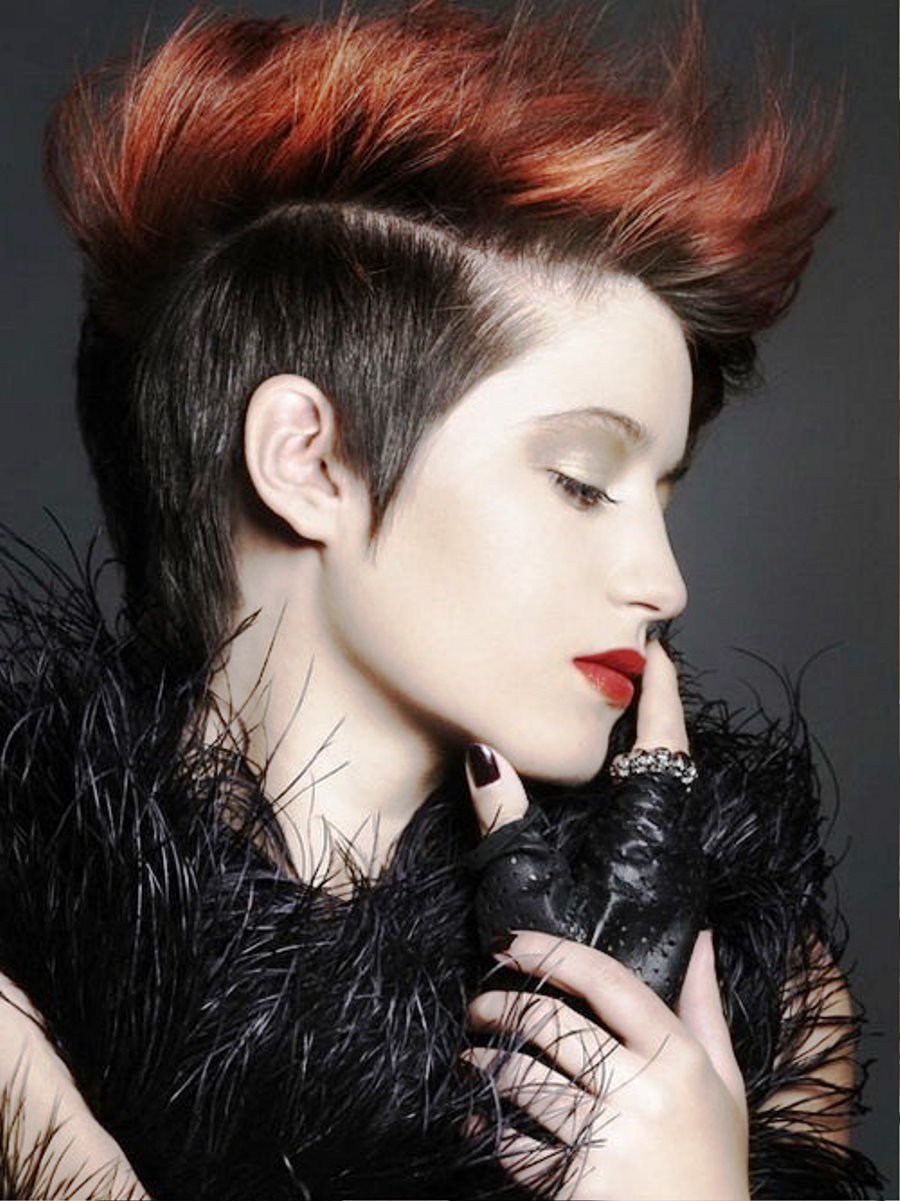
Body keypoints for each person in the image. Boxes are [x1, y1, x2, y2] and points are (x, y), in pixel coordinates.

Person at [0, 2, 884, 1198]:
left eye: (664, 492)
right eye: (581, 481)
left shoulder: (749, 994)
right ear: (309, 461)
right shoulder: (27, 983)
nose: (664, 580)